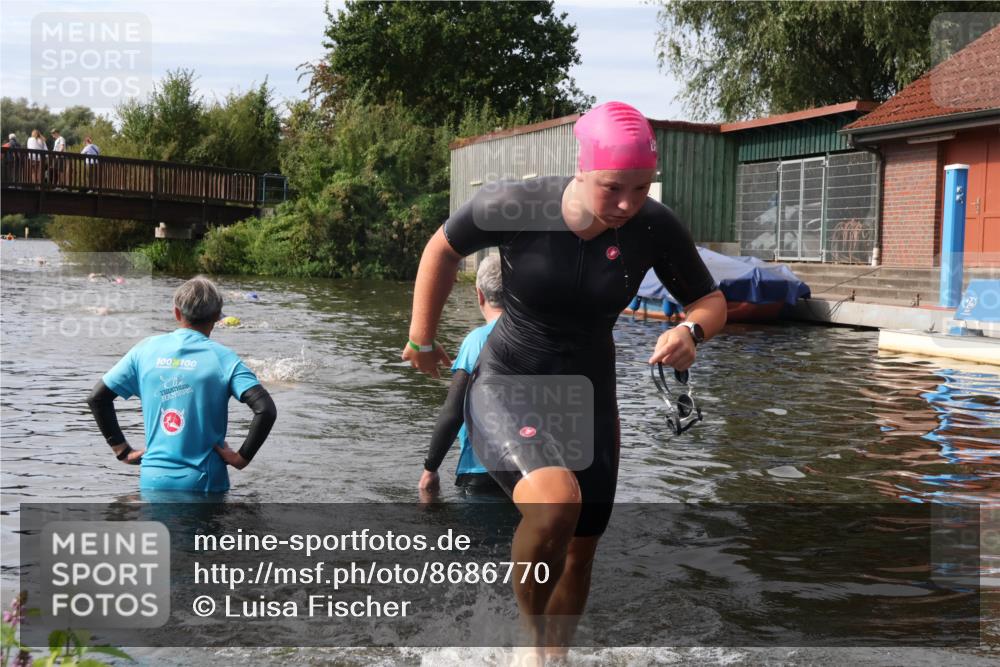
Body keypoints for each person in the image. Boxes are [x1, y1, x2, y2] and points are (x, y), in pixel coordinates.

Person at [402, 101, 727, 659]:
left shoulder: (654, 225)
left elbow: (710, 300)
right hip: (510, 382)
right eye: (612, 187)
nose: (627, 203)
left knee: (580, 552)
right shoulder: (515, 204)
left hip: (591, 399)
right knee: (555, 506)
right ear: (582, 169)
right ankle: (530, 643)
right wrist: (422, 338)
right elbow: (442, 248)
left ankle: (558, 655)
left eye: (642, 187)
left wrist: (691, 331)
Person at [86, 276, 277, 493]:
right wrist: (241, 458)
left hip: (153, 480)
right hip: (204, 483)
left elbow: (97, 398)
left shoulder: (144, 349)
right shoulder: (224, 359)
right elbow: (266, 409)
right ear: (217, 316)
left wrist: (123, 451)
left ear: (176, 313)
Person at [419, 254, 504, 499]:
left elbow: (453, 412)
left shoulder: (477, 341)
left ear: (479, 295)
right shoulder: (540, 338)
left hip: (481, 471)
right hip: (534, 472)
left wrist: (430, 468)